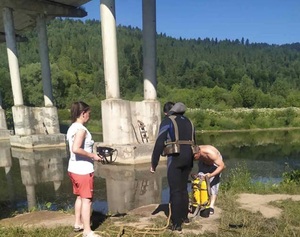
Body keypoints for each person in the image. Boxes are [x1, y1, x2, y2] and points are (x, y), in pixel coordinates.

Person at [150, 102, 195, 232]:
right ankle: (185, 217)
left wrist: (154, 163)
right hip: (189, 157)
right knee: (183, 188)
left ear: (167, 112)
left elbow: (159, 143)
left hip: (176, 157)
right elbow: (194, 141)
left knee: (175, 190)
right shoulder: (189, 121)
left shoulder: (167, 121)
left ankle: (176, 224)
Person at [66, 101, 103, 237]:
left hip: (73, 169)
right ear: (83, 113)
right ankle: (87, 231)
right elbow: (76, 148)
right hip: (83, 170)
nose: (89, 116)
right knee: (87, 199)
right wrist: (93, 155)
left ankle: (78, 223)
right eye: (88, 113)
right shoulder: (81, 129)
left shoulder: (72, 127)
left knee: (80, 197)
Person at [194, 145, 225, 215]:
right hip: (204, 163)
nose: (194, 158)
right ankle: (200, 202)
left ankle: (211, 205)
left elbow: (222, 166)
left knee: (213, 184)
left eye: (195, 156)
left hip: (215, 164)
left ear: (199, 152)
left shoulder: (211, 154)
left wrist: (211, 175)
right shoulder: (194, 152)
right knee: (200, 181)